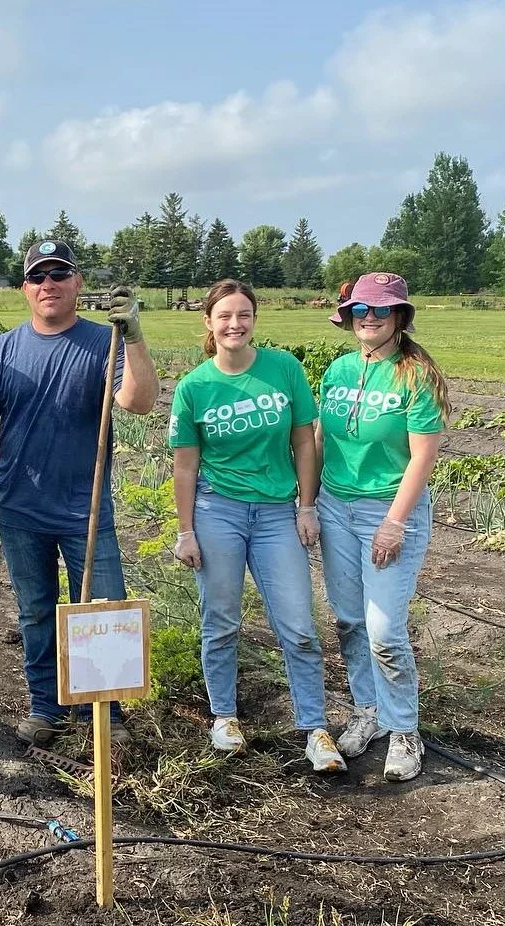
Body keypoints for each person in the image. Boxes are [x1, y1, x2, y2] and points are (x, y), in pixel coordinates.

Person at [0, 241, 159, 747]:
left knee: (103, 608)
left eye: (59, 274)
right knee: (36, 610)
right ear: (26, 288)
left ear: (78, 283)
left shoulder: (104, 343)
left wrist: (132, 336)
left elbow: (139, 402)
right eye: (38, 277)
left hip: (85, 508)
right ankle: (46, 705)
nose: (48, 284)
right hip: (20, 507)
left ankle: (103, 712)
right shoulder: (2, 350)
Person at [168, 279, 345, 773]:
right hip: (217, 510)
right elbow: (185, 466)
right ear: (209, 322)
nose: (235, 324)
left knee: (298, 625)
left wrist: (306, 506)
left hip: (275, 514)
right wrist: (186, 531)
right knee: (221, 619)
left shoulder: (283, 370)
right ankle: (224, 717)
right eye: (224, 316)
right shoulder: (194, 387)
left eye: (244, 314)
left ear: (254, 320)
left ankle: (314, 728)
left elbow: (305, 442)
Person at [315, 272, 447, 782]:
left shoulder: (416, 377)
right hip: (334, 508)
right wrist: (307, 502)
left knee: (384, 629)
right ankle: (368, 710)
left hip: (389, 512)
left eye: (380, 311)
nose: (368, 319)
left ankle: (404, 730)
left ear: (398, 318)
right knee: (349, 619)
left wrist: (394, 522)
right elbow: (323, 439)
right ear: (348, 317)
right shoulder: (339, 370)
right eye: (360, 311)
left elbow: (421, 460)